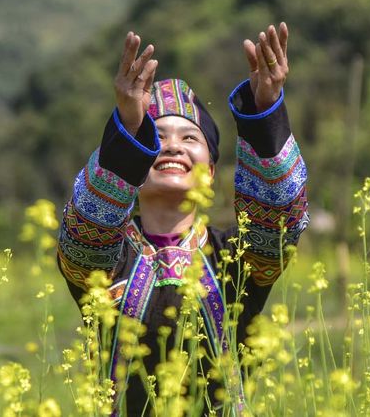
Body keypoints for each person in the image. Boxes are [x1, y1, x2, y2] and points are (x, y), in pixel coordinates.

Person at [57, 23, 309, 415]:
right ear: (138, 161)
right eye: (156, 138)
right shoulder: (111, 260)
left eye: (190, 138)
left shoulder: (233, 258)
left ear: (209, 170)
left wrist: (265, 110)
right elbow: (84, 239)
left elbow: (279, 222)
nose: (173, 145)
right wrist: (127, 124)